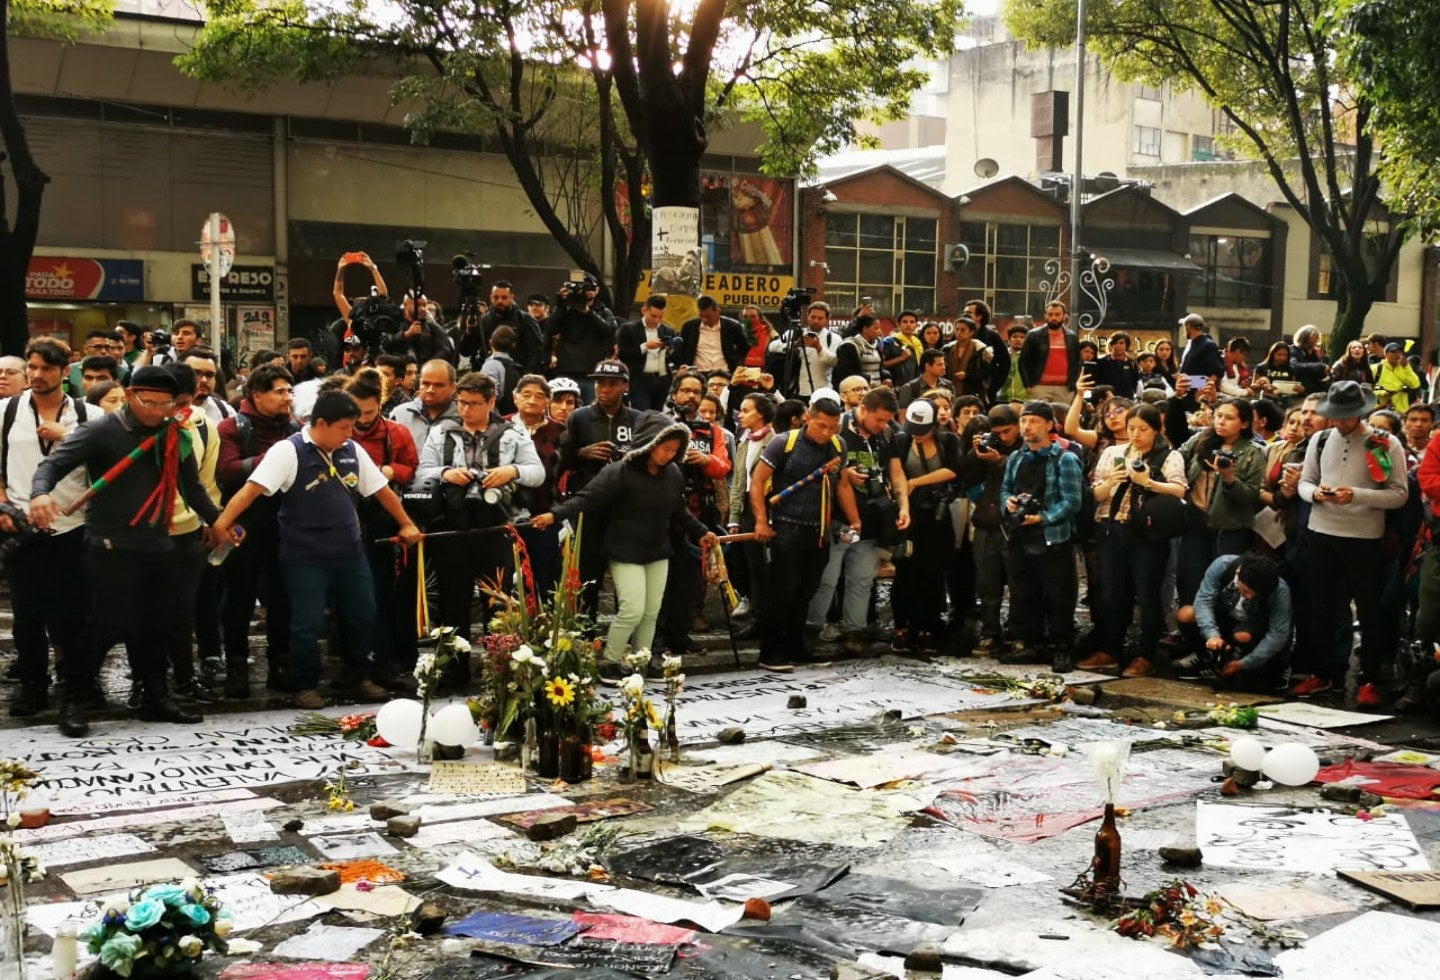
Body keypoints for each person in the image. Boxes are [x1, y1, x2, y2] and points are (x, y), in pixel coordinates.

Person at [31, 367, 221, 736]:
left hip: (159, 542)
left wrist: (219, 520)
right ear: (131, 394)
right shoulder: (101, 429)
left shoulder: (173, 434)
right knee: (104, 626)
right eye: (149, 402)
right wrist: (40, 494)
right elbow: (53, 465)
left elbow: (192, 487)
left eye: (166, 404)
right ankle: (74, 700)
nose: (157, 410)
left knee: (158, 624)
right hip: (110, 545)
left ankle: (155, 697)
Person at [211, 390, 422, 709]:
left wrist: (407, 524)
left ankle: (360, 674)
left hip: (350, 553)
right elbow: (250, 491)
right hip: (305, 557)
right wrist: (221, 524)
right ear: (321, 423)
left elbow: (381, 490)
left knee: (363, 614)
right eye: (343, 427)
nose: (349, 434)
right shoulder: (288, 451)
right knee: (307, 623)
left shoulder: (351, 449)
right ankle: (305, 684)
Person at [532, 415, 719, 682]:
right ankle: (610, 660)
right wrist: (554, 515)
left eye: (675, 450)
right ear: (649, 444)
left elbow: (679, 511)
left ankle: (641, 659)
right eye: (665, 448)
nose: (670, 455)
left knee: (651, 611)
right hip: (624, 548)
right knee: (631, 608)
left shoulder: (674, 473)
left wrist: (701, 532)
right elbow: (588, 497)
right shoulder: (620, 471)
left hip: (658, 549)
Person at [415, 372, 544, 681]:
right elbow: (421, 473)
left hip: (494, 527)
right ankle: (454, 669)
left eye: (474, 403)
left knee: (496, 600)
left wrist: (510, 471)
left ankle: (498, 667)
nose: (466, 410)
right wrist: (446, 473)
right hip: (452, 527)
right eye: (461, 402)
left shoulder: (513, 433)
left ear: (491, 402)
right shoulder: (441, 432)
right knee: (453, 600)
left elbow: (537, 472)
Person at [1293, 380, 1409, 703]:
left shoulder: (1383, 443)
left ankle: (1369, 678)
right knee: (1321, 607)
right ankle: (1323, 672)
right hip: (1321, 532)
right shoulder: (1320, 438)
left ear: (1362, 413)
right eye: (1336, 416)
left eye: (1348, 417)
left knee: (1370, 611)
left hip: (1364, 537)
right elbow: (1305, 482)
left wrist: (1354, 495)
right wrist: (1315, 494)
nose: (1342, 423)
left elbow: (1399, 494)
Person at [0, 338, 93, 719]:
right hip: (20, 526)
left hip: (73, 526)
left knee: (71, 613)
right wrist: (3, 505)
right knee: (27, 614)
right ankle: (33, 685)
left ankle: (73, 685)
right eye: (33, 368)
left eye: (47, 369)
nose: (38, 376)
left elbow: (108, 463)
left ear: (64, 371)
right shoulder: (6, 411)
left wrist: (67, 436)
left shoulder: (89, 415)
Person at [750, 397, 860, 670]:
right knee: (784, 591)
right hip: (787, 526)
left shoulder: (838, 445)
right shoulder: (783, 443)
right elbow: (757, 481)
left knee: (806, 592)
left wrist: (855, 520)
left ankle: (796, 647)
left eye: (833, 427)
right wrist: (761, 521)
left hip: (819, 530)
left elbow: (843, 486)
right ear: (807, 418)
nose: (827, 433)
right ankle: (771, 652)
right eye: (822, 426)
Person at [1080, 402, 1187, 677]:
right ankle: (1110, 651)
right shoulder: (1113, 452)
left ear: (1156, 430)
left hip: (1148, 536)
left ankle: (1145, 655)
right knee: (1112, 594)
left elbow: (1178, 491)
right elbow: (1096, 495)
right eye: (1132, 428)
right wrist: (1110, 481)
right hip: (1112, 529)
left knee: (1148, 596)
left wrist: (1148, 481)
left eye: (1143, 429)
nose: (1136, 434)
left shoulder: (1169, 456)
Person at [216, 364, 300, 698]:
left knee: (282, 598)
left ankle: (280, 662)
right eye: (280, 391)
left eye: (290, 391)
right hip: (244, 525)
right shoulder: (232, 427)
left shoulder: (295, 428)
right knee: (238, 597)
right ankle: (236, 664)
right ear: (256, 394)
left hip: (286, 525)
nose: (287, 398)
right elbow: (227, 470)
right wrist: (274, 458)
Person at [807, 387, 910, 655]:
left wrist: (903, 506)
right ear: (863, 409)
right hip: (838, 521)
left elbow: (897, 472)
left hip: (874, 520)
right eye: (879, 419)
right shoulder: (837, 428)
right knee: (827, 578)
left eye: (887, 420)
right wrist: (843, 474)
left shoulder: (887, 434)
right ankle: (812, 630)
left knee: (861, 579)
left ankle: (854, 631)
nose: (883, 425)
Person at [345, 369, 421, 678]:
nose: (363, 419)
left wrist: (392, 471)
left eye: (370, 412)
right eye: (356, 413)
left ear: (381, 404)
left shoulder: (396, 432)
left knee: (388, 592)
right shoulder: (341, 431)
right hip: (348, 516)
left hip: (386, 516)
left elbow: (412, 467)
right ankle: (355, 659)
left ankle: (392, 657)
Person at [998, 400, 1084, 671]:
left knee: (1059, 595)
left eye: (1033, 421)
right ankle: (1031, 644)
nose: (1026, 426)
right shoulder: (1016, 457)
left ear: (1049, 425)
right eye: (1023, 421)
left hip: (1052, 537)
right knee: (1024, 593)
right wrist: (1009, 503)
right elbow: (1004, 489)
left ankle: (1061, 648)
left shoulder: (1066, 458)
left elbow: (1072, 501)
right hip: (1020, 537)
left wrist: (1043, 517)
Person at [557, 360, 645, 614]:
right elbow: (560, 460)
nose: (604, 389)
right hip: (589, 503)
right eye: (599, 383)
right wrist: (582, 453)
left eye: (611, 384)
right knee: (588, 571)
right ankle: (586, 633)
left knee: (627, 571)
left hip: (626, 506)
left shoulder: (638, 419)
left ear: (625, 386)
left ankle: (627, 631)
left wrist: (626, 457)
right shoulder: (578, 417)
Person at [655, 370, 731, 656]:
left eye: (696, 392)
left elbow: (724, 466)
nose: (690, 397)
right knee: (663, 579)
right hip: (663, 513)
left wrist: (705, 459)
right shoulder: (661, 423)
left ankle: (680, 633)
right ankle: (657, 637)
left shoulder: (711, 430)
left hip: (698, 511)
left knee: (689, 578)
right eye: (685, 391)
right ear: (674, 394)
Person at [1172, 394, 1265, 605]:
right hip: (1195, 521)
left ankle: (1218, 632)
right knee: (1189, 578)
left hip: (1229, 527)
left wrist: (1229, 477)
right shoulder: (1201, 439)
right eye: (1218, 416)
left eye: (1229, 418)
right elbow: (1176, 458)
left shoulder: (1252, 452)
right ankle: (1190, 630)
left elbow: (1251, 497)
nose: (1221, 421)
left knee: (1222, 582)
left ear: (1244, 423)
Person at [890, 400, 962, 653]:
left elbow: (953, 470)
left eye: (923, 430)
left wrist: (916, 482)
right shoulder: (900, 440)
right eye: (913, 429)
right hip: (908, 514)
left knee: (934, 572)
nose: (918, 435)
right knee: (906, 572)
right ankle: (902, 626)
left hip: (938, 514)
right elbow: (895, 473)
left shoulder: (949, 441)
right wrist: (904, 496)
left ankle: (927, 626)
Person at [1174, 552, 1292, 691]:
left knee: (1246, 649)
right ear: (1238, 573)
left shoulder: (1280, 591)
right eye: (1247, 591)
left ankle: (1250, 661)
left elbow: (1277, 633)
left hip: (1253, 625)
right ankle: (1204, 656)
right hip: (1224, 614)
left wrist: (1245, 664)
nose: (1250, 596)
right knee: (1186, 614)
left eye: (1255, 594)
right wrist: (1212, 634)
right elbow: (1204, 601)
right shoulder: (1222, 565)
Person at [958, 404, 1023, 654]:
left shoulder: (1023, 448)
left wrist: (1000, 460)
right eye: (997, 433)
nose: (1002, 438)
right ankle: (989, 632)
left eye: (1007, 432)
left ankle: (1018, 633)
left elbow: (1024, 476)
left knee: (1019, 585)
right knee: (987, 583)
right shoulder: (986, 447)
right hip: (985, 522)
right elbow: (966, 475)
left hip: (1012, 525)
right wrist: (976, 453)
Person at [507, 374, 566, 596]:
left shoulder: (560, 431)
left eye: (539, 396)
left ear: (548, 401)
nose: (532, 400)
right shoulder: (501, 426)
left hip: (545, 515)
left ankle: (544, 626)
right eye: (526, 394)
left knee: (545, 579)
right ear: (515, 398)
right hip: (506, 514)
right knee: (507, 579)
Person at [727, 393, 777, 638]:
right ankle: (757, 617)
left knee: (765, 568)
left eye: (747, 410)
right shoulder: (743, 441)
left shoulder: (775, 441)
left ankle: (765, 620)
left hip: (767, 508)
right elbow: (738, 481)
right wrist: (734, 516)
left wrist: (767, 517)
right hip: (747, 507)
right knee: (751, 565)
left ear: (761, 414)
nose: (741, 415)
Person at [547, 277, 617, 400]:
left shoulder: (603, 311)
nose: (587, 291)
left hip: (591, 373)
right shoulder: (566, 310)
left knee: (590, 412)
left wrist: (588, 313)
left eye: (590, 288)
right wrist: (560, 304)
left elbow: (610, 331)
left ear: (597, 290)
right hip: (567, 371)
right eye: (584, 288)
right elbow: (550, 329)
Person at [617, 295, 676, 411]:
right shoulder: (628, 329)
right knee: (642, 416)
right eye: (653, 316)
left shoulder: (668, 331)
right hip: (639, 381)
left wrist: (669, 350)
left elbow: (672, 358)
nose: (656, 320)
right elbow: (623, 355)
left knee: (658, 418)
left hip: (662, 381)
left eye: (660, 317)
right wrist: (645, 347)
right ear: (644, 310)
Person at [390, 359, 461, 454]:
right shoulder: (400, 415)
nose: (430, 390)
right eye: (426, 384)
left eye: (438, 385)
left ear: (453, 388)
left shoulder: (463, 418)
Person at [770, 301, 839, 399]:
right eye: (813, 317)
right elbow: (772, 346)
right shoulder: (795, 333)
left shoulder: (833, 338)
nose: (816, 321)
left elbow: (835, 362)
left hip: (821, 392)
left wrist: (819, 348)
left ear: (827, 319)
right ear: (808, 316)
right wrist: (794, 344)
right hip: (795, 391)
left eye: (820, 318)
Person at [1018, 301, 1080, 403]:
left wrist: (1074, 383)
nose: (1053, 318)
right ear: (1045, 316)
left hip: (1064, 389)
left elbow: (1077, 362)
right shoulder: (1034, 335)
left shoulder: (1072, 337)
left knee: (1062, 418)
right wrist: (1027, 385)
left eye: (1057, 314)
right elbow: (1023, 361)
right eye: (1050, 314)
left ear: (1064, 316)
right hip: (1039, 387)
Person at [677, 295, 748, 377]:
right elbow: (682, 351)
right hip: (697, 374)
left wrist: (737, 365)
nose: (704, 320)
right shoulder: (689, 327)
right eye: (701, 316)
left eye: (708, 317)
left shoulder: (733, 326)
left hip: (724, 373)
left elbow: (744, 350)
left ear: (717, 311)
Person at [944, 316, 993, 404]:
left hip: (972, 392)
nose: (959, 332)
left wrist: (967, 375)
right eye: (957, 329)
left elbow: (987, 373)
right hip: (949, 391)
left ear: (971, 332)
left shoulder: (981, 349)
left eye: (963, 330)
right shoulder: (947, 349)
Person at [832, 314, 887, 389]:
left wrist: (886, 378)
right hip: (858, 390)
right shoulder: (850, 346)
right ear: (865, 329)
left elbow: (879, 369)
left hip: (876, 390)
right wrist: (868, 380)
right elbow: (846, 373)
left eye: (879, 328)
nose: (879, 331)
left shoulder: (876, 345)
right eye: (876, 328)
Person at [478, 325, 522, 416]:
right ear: (513, 345)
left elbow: (488, 396)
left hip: (497, 420)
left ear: (490, 343)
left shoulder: (491, 365)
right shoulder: (516, 367)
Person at [1375, 342, 1423, 414]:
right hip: (1381, 410)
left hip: (1401, 411)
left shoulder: (1405, 367)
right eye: (1393, 352)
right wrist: (1384, 393)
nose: (1397, 354)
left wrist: (1406, 368)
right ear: (1385, 354)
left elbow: (1415, 384)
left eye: (1399, 352)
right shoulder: (1376, 368)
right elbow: (1367, 388)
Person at [1178, 313, 1224, 384]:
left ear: (1188, 326)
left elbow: (1218, 372)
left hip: (1199, 393)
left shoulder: (1208, 345)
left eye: (1184, 326)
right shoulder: (1191, 344)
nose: (1184, 330)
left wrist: (1193, 384)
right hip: (1186, 391)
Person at [1091, 331, 1140, 398]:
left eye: (1121, 343)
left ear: (1126, 345)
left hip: (1127, 401)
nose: (1117, 346)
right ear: (1111, 345)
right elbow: (1096, 383)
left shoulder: (1132, 363)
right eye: (1114, 343)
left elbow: (1135, 382)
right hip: (1106, 400)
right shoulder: (1101, 362)